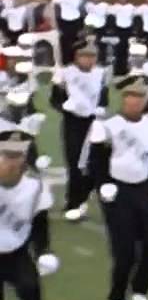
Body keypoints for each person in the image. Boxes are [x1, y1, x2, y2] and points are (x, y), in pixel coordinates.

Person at [85, 74, 148, 300]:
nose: (135, 101)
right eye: (130, 96)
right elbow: (95, 161)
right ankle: (117, 295)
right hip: (117, 191)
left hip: (143, 189)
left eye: (140, 97)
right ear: (123, 99)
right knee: (125, 250)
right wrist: (103, 184)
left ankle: (140, 289)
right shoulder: (107, 126)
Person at [0, 130, 57, 300]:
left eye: (17, 155)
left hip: (15, 251)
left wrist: (44, 251)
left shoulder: (35, 186)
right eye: (6, 155)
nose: (11, 161)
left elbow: (40, 222)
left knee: (31, 290)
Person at [49, 41, 109, 222]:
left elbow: (103, 98)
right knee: (74, 161)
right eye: (85, 56)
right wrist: (65, 107)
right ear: (77, 57)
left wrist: (101, 108)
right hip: (73, 122)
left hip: (94, 122)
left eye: (92, 56)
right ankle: (73, 202)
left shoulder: (100, 73)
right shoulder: (65, 73)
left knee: (94, 162)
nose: (89, 60)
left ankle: (84, 198)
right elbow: (54, 99)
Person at [51, 0, 85, 66]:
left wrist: (81, 27)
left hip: (76, 22)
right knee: (64, 44)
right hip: (64, 22)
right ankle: (65, 63)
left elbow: (82, 11)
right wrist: (57, 27)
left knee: (76, 44)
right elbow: (54, 8)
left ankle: (75, 62)